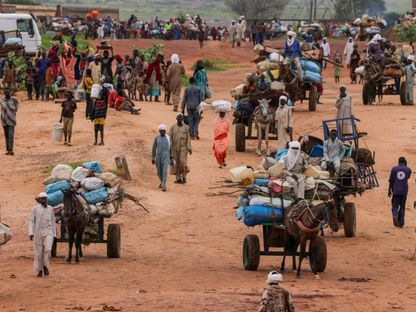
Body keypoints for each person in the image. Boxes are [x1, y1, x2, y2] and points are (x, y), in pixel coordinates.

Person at [28, 192, 56, 277]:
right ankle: (39, 270)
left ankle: (45, 266)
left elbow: (53, 221)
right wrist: (30, 232)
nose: (44, 200)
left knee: (47, 249)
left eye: (45, 198)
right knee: (38, 253)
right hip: (38, 233)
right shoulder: (35, 209)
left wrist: (54, 234)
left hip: (48, 232)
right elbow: (31, 221)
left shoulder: (50, 209)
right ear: (39, 200)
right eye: (42, 198)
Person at [169, 113, 192, 184]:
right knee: (176, 163)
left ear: (182, 119)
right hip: (174, 147)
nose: (179, 120)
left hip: (183, 147)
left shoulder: (186, 127)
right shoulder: (173, 127)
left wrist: (189, 148)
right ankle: (178, 178)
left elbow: (188, 138)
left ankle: (184, 175)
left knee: (183, 162)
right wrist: (169, 149)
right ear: (176, 119)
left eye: (181, 119)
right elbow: (170, 138)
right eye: (178, 119)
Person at [388, 157, 411, 228]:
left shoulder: (394, 169)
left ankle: (395, 215)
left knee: (395, 206)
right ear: (405, 162)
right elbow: (407, 177)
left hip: (396, 190)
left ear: (398, 162)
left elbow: (391, 180)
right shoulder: (408, 169)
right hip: (404, 190)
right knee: (402, 206)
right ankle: (401, 223)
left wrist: (389, 190)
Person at [152, 124, 174, 192]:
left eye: (164, 131)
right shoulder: (156, 138)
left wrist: (171, 157)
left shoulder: (168, 138)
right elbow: (153, 149)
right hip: (158, 157)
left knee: (164, 171)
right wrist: (153, 157)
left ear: (165, 131)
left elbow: (171, 149)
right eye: (161, 131)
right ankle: (161, 182)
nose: (162, 132)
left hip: (166, 157)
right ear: (159, 131)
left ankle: (164, 185)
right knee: (159, 172)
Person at [1, 88, 18, 155]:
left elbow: (16, 109)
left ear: (10, 92)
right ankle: (8, 150)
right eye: (6, 92)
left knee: (11, 135)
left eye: (8, 92)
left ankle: (11, 150)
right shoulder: (2, 101)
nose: (7, 93)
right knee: (6, 135)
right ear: (4, 93)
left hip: (11, 120)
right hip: (4, 120)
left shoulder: (14, 100)